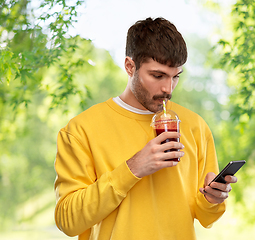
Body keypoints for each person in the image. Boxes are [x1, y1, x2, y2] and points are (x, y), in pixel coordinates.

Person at [54, 17, 237, 240]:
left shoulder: (195, 126)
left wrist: (212, 199)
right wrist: (132, 168)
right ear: (130, 67)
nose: (168, 88)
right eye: (157, 75)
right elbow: (68, 222)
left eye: (175, 76)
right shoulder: (80, 130)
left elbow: (205, 216)